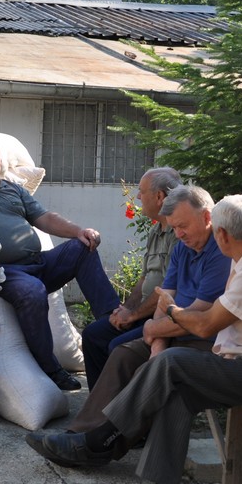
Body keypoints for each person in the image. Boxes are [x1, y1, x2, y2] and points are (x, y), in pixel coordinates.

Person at [25, 194, 242, 484]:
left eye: (183, 226)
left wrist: (169, 311)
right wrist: (162, 324)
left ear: (221, 233)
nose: (178, 233)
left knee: (173, 362)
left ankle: (100, 439)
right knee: (178, 395)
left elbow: (207, 323)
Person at [0, 138, 119, 391]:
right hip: (5, 273)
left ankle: (112, 320)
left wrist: (79, 231)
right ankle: (51, 368)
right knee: (32, 290)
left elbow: (45, 218)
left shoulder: (14, 190)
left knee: (83, 248)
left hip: (38, 263)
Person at [63, 183, 230, 436]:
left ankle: (111, 436)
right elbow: (165, 298)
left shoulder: (221, 252)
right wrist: (157, 342)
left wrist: (151, 327)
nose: (179, 234)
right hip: (173, 331)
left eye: (182, 226)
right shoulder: (183, 248)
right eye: (174, 228)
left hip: (202, 341)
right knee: (121, 353)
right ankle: (83, 432)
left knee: (139, 364)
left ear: (207, 217)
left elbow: (199, 317)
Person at [80, 167, 182, 387]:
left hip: (164, 317)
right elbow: (144, 279)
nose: (137, 197)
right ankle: (99, 407)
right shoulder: (156, 231)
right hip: (144, 314)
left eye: (142, 191)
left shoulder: (179, 233)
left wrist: (134, 316)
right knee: (92, 335)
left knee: (117, 346)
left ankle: (120, 411)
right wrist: (127, 310)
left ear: (159, 196)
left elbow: (169, 288)